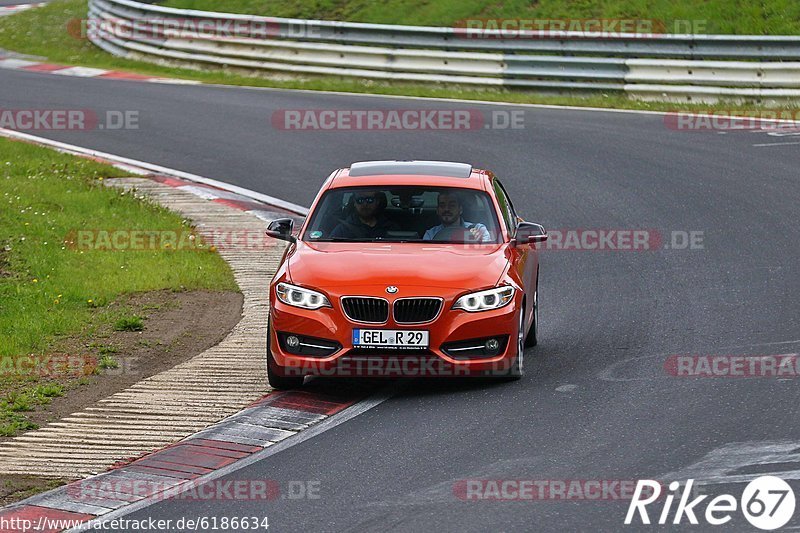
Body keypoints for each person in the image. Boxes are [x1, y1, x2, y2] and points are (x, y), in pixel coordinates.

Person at [423, 191, 491, 242]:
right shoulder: (430, 234)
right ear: (437, 210)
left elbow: (487, 252)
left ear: (460, 209)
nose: (446, 209)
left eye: (452, 205)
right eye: (442, 206)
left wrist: (477, 241)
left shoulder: (478, 229)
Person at [330, 190, 398, 239]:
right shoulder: (342, 230)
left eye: (369, 200)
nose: (365, 204)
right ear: (354, 203)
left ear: (377, 202)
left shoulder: (390, 228)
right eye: (360, 200)